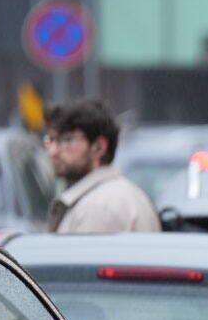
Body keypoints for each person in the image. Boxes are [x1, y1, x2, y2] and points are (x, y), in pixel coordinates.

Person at [44, 99, 160, 233]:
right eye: (50, 140)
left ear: (99, 147)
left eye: (67, 140)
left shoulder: (96, 208)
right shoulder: (121, 194)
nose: (53, 151)